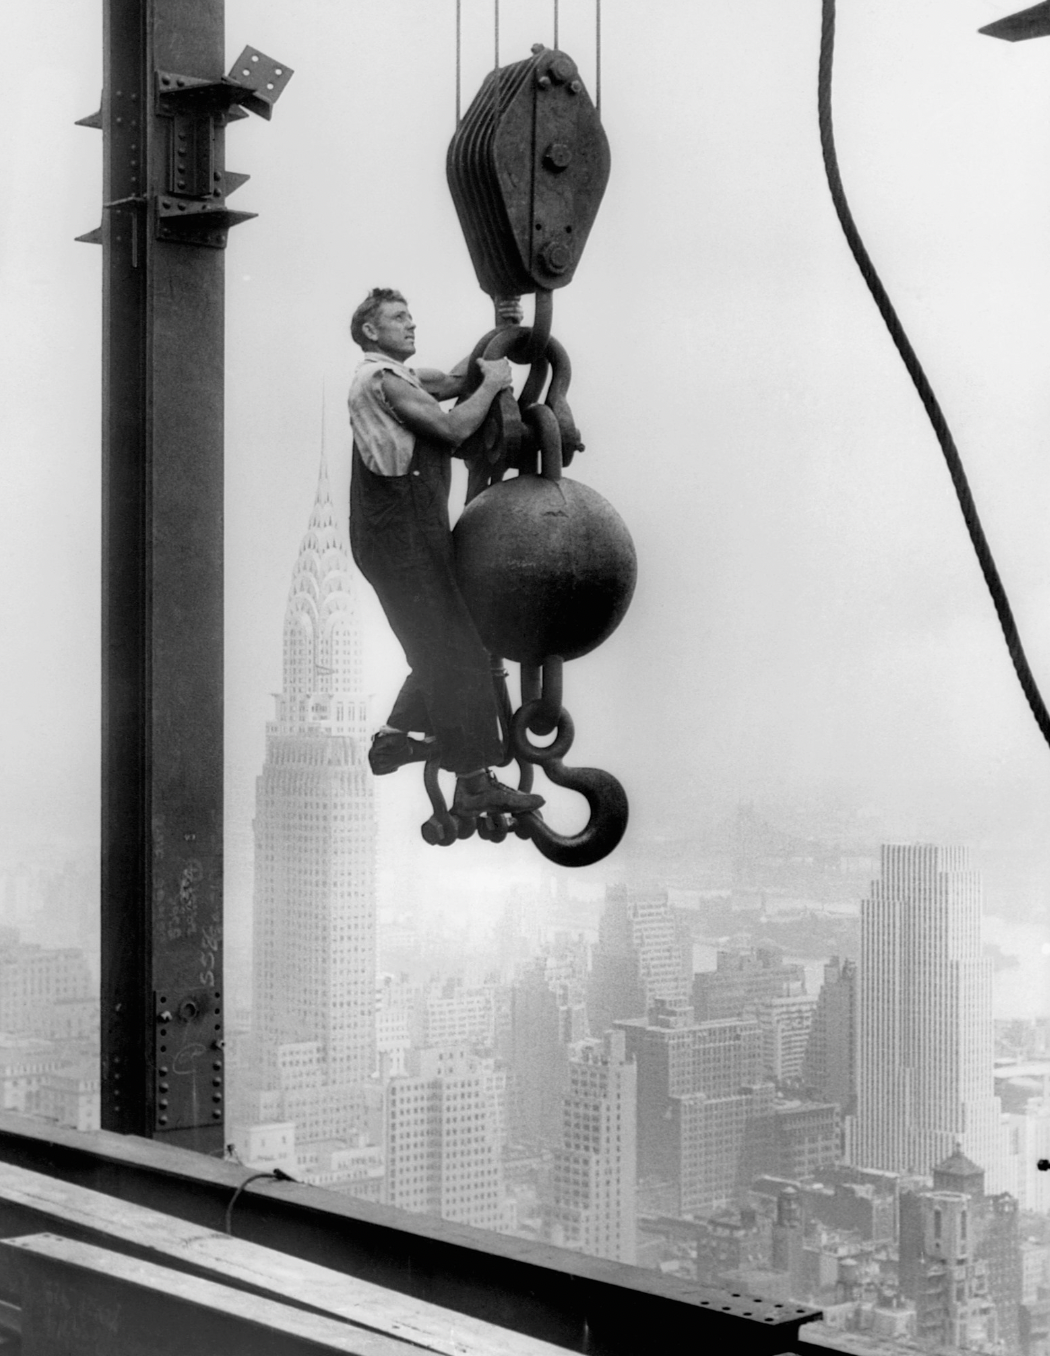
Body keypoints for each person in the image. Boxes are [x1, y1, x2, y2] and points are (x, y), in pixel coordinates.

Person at [347, 288, 545, 818]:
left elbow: (459, 381)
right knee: (454, 651)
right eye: (397, 317)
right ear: (370, 331)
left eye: (411, 315)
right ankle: (474, 779)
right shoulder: (380, 380)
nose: (411, 324)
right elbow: (456, 429)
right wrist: (498, 384)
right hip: (400, 536)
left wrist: (500, 330)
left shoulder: (406, 379)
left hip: (412, 533)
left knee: (443, 643)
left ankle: (394, 740)